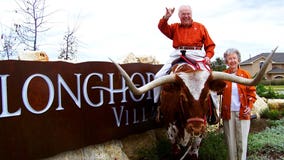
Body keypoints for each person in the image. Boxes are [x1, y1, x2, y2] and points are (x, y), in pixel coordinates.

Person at [153, 5, 216, 105]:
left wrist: (208, 56)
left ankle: (213, 108)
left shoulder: (200, 27)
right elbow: (162, 27)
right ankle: (155, 104)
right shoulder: (174, 27)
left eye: (188, 14)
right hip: (177, 54)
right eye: (183, 14)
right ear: (179, 16)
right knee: (158, 77)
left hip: (197, 55)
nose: (186, 16)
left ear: (191, 14)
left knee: (210, 77)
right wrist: (166, 17)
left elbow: (210, 45)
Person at [221, 48, 257, 160]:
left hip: (243, 113)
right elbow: (215, 91)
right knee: (230, 142)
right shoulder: (222, 75)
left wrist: (249, 107)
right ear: (226, 61)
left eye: (234, 58)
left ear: (238, 60)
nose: (232, 61)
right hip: (228, 113)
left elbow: (252, 93)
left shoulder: (245, 74)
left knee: (242, 142)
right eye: (229, 58)